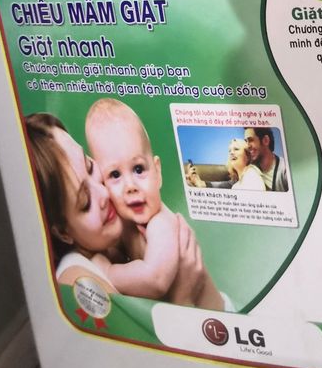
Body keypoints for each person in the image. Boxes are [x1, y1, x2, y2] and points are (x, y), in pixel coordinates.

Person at [25, 112, 204, 304]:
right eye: (86, 202)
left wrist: (109, 270)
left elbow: (155, 278)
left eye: (90, 166)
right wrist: (183, 297)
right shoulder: (77, 279)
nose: (104, 193)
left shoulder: (138, 218)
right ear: (63, 232)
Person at [85, 99, 224, 309]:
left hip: (217, 314)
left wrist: (106, 271)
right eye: (115, 175)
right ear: (103, 184)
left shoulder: (161, 223)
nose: (130, 186)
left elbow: (155, 280)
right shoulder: (125, 222)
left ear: (157, 172)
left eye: (138, 169)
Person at [244, 126, 289, 191]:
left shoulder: (285, 169)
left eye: (251, 140)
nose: (247, 146)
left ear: (265, 140)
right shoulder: (250, 170)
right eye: (246, 141)